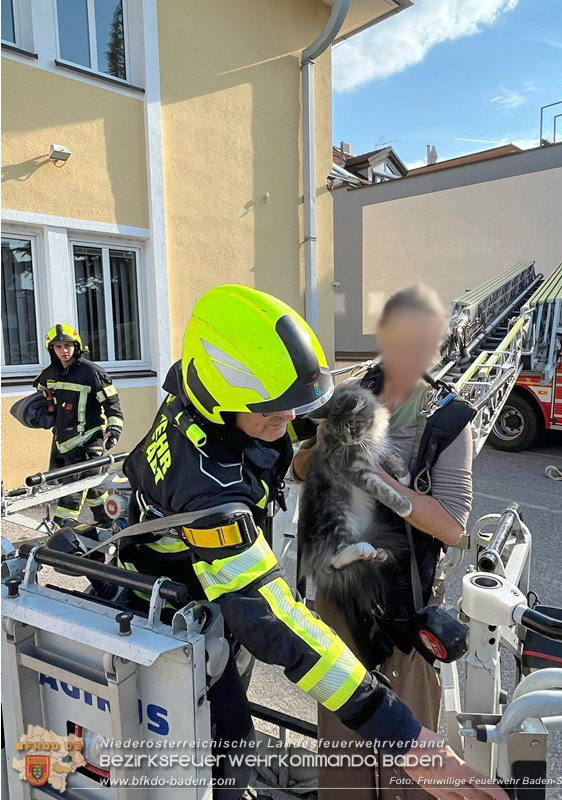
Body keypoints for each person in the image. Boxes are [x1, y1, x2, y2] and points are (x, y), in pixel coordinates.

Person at [121, 285, 504, 800]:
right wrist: (411, 742)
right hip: (188, 606)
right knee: (230, 750)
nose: (285, 422)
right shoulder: (209, 488)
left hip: (243, 598)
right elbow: (271, 617)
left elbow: (289, 430)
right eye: (271, 412)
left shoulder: (202, 395)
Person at [292, 283, 474, 799]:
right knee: (344, 746)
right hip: (339, 601)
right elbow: (299, 470)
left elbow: (452, 526)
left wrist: (381, 481)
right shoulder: (354, 396)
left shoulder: (446, 422)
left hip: (404, 608)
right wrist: (325, 444)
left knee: (409, 757)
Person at [33, 324, 123, 526]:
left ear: (76, 346)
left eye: (68, 345)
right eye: (58, 347)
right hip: (63, 443)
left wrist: (114, 430)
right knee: (94, 491)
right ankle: (109, 524)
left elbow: (112, 406)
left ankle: (61, 536)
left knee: (71, 493)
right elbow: (38, 397)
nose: (64, 351)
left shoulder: (92, 373)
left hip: (89, 441)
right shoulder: (49, 375)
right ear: (51, 350)